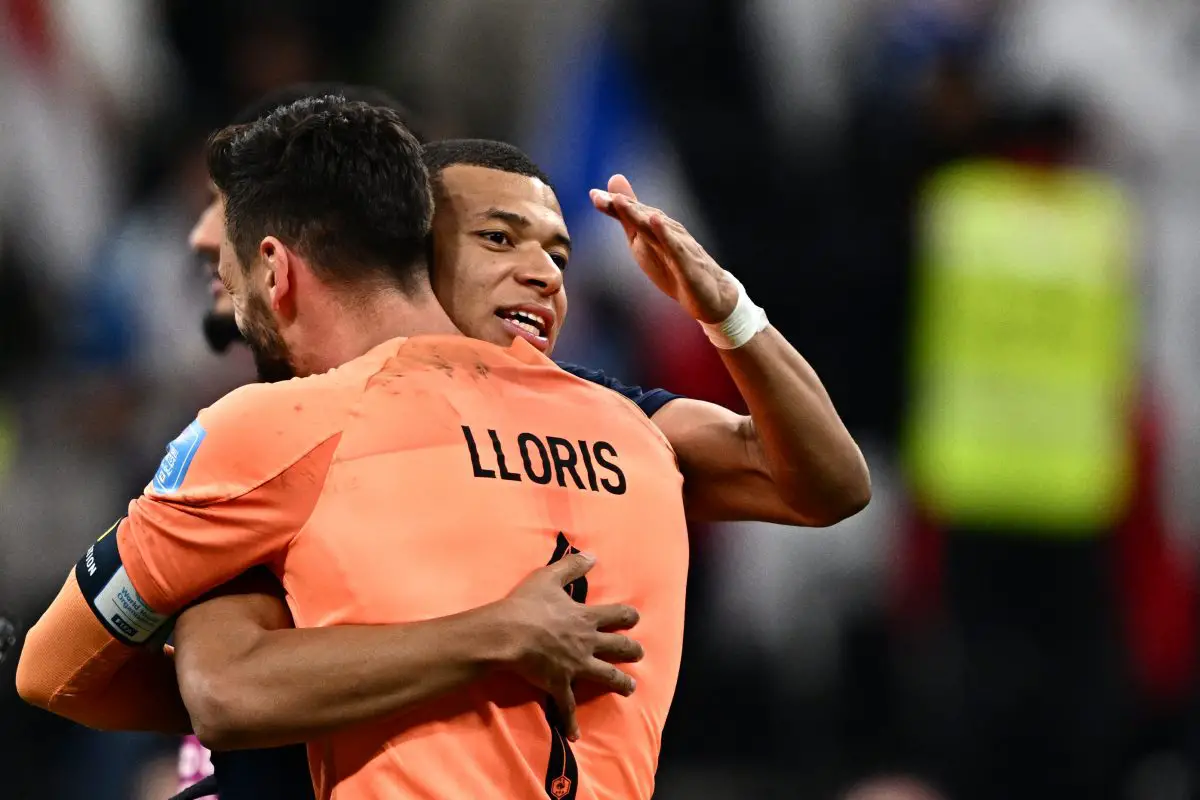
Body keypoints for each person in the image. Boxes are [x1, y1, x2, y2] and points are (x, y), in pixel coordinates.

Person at [18, 95, 690, 800]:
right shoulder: (631, 432)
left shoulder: (271, 430)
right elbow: (813, 480)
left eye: (231, 276)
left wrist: (306, 693)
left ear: (274, 270)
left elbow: (53, 668)